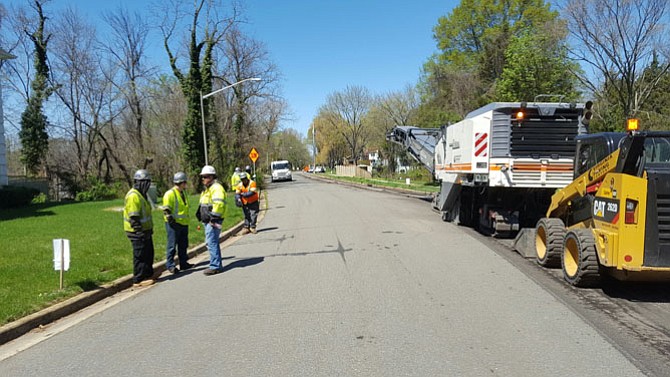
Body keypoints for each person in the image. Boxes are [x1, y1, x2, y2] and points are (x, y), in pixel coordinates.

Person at [123, 169, 155, 287]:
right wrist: (139, 232)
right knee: (140, 254)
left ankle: (147, 274)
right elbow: (134, 217)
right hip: (136, 231)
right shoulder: (133, 196)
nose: (147, 185)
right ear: (139, 182)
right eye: (145, 182)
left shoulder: (142, 195)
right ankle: (139, 278)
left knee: (148, 252)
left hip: (145, 230)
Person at [162, 172, 194, 274]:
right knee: (172, 245)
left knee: (183, 244)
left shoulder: (183, 192)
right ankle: (170, 265)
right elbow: (166, 208)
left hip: (184, 223)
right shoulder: (170, 193)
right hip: (174, 224)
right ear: (181, 182)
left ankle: (183, 263)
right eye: (185, 182)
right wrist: (169, 217)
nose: (186, 184)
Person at [198, 165, 226, 275]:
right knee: (212, 242)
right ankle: (217, 264)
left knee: (211, 242)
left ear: (211, 177)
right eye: (202, 177)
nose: (203, 179)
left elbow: (218, 204)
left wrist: (213, 218)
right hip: (209, 220)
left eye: (205, 177)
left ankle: (215, 266)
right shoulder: (209, 189)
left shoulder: (216, 188)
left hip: (213, 220)